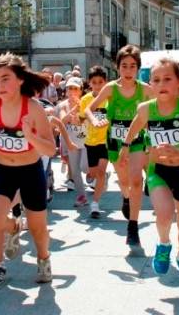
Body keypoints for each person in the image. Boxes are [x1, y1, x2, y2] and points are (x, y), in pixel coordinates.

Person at [0, 53, 56, 287]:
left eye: (5, 79)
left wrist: (30, 137)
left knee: (38, 228)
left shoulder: (34, 108)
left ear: (20, 80)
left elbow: (50, 150)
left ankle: (43, 259)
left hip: (31, 171)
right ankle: (6, 244)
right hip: (3, 169)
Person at [121, 58, 179, 282]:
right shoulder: (146, 109)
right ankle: (164, 244)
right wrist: (126, 147)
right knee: (165, 214)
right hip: (158, 171)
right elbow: (135, 125)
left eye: (168, 78)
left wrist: (178, 153)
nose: (162, 84)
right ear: (151, 84)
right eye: (156, 80)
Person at [85, 44, 153, 247]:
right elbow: (90, 107)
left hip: (137, 140)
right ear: (118, 67)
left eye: (133, 66)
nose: (128, 70)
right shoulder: (111, 88)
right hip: (115, 141)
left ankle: (133, 226)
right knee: (125, 182)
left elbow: (161, 105)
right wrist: (95, 120)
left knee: (137, 181)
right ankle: (125, 198)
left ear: (138, 68)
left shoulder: (145, 89)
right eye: (124, 66)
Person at [80, 65, 109, 219]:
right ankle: (102, 178)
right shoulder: (85, 99)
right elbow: (81, 118)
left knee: (101, 172)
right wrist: (76, 121)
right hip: (90, 141)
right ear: (89, 83)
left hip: (105, 141)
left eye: (100, 82)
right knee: (92, 173)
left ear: (105, 82)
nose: (97, 85)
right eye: (94, 82)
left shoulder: (109, 98)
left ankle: (95, 204)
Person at [58, 77, 88, 208]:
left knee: (85, 167)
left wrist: (80, 107)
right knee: (75, 171)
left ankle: (101, 174)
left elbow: (86, 120)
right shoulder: (62, 105)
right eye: (69, 88)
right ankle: (82, 196)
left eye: (75, 88)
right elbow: (62, 121)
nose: (72, 91)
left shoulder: (87, 103)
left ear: (81, 90)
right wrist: (73, 109)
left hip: (87, 141)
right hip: (72, 142)